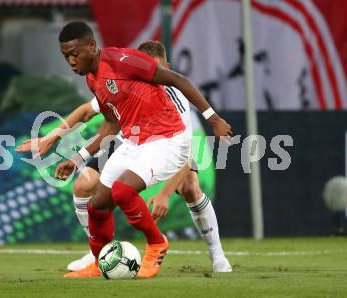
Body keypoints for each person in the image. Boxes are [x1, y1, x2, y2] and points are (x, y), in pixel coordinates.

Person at [19, 21, 232, 278]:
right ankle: (98, 262)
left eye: (75, 54)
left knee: (131, 190)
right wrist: (77, 158)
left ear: (91, 46)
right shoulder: (93, 78)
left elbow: (179, 79)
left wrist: (214, 119)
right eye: (66, 57)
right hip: (136, 142)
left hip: (169, 140)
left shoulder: (125, 62)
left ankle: (157, 243)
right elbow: (111, 124)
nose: (71, 61)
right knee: (97, 205)